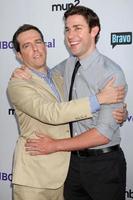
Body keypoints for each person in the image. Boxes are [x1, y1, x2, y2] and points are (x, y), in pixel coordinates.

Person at [8, 24, 126, 200]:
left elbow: (77, 101)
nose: (35, 48)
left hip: (64, 175)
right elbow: (52, 113)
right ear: (19, 55)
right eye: (26, 46)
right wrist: (99, 99)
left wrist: (119, 110)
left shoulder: (59, 75)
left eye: (38, 42)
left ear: (45, 45)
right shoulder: (18, 84)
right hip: (34, 178)